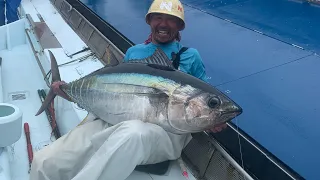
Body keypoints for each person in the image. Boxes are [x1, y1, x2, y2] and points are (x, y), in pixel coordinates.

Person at [29, 0, 227, 179]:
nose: (164, 24)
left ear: (179, 26)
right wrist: (68, 92)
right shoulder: (135, 52)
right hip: (115, 119)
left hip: (165, 135)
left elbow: (202, 102)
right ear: (150, 21)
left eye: (171, 20)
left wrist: (212, 119)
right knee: (43, 162)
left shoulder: (191, 56)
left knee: (133, 133)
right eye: (158, 17)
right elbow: (114, 92)